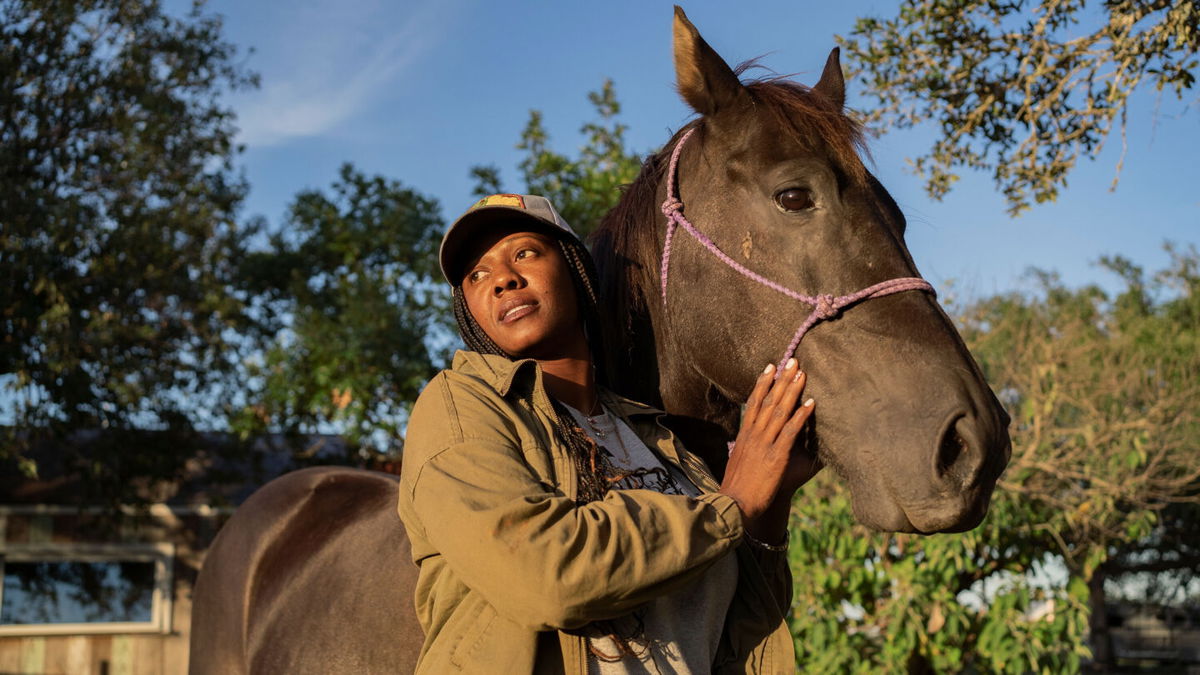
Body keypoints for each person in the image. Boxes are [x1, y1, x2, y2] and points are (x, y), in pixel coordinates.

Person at [397, 193, 820, 674]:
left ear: (576, 270)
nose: (502, 281)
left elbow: (735, 630)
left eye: (524, 253)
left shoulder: (656, 436)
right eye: (477, 276)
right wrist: (735, 504)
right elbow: (544, 578)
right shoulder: (460, 406)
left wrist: (770, 501)